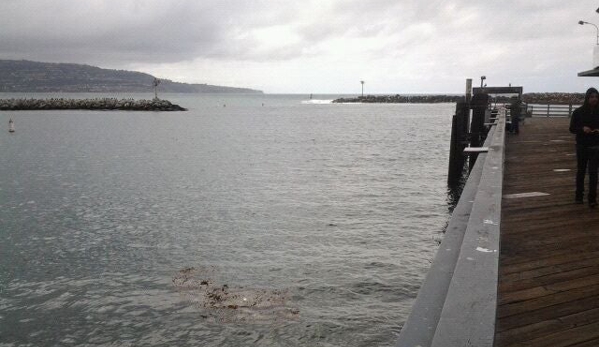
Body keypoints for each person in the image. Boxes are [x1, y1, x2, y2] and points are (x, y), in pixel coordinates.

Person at [569, 87, 599, 207]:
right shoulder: (578, 112)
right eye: (592, 97)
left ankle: (592, 198)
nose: (594, 99)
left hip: (596, 146)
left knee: (593, 173)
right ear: (587, 98)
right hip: (582, 145)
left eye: (596, 97)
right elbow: (571, 129)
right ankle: (578, 196)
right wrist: (582, 129)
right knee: (581, 171)